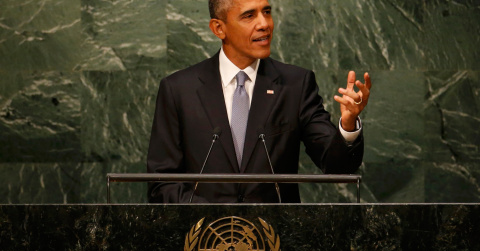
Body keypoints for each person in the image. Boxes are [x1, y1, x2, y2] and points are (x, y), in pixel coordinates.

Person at [147, 0, 371, 203]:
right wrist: (215, 217)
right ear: (219, 28)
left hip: (276, 239)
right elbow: (161, 183)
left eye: (267, 12)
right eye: (249, 16)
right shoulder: (179, 89)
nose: (264, 24)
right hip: (206, 240)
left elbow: (337, 166)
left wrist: (349, 124)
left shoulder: (295, 85)